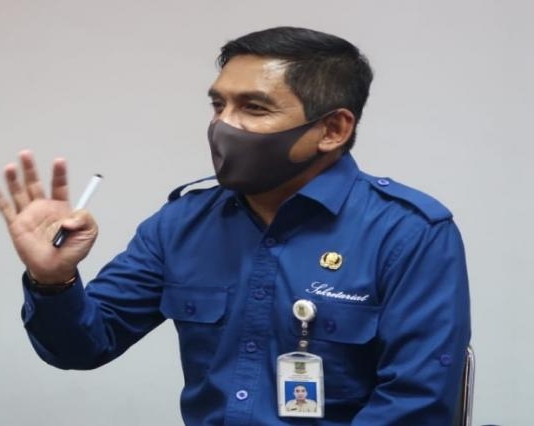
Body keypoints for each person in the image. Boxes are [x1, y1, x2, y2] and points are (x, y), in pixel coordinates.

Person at [0, 26, 470, 425]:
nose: (224, 125)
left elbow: (414, 405)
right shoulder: (181, 224)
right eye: (218, 105)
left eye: (254, 108)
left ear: (333, 130)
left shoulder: (409, 233)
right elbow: (84, 348)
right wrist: (53, 280)